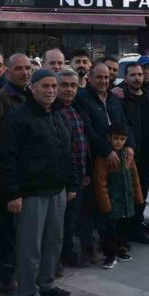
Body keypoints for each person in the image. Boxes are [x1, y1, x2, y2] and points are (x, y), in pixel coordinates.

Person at [0, 69, 79, 296]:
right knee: (29, 246)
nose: (51, 90)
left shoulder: (57, 115)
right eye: (45, 86)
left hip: (57, 190)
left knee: (53, 241)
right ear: (32, 88)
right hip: (30, 193)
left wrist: (72, 184)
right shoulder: (17, 117)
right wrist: (12, 193)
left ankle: (47, 283)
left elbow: (67, 151)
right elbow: (7, 159)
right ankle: (28, 292)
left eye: (54, 86)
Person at [76, 63, 134, 263]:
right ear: (90, 78)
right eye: (98, 77)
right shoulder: (82, 99)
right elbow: (87, 129)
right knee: (92, 207)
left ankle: (114, 245)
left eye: (106, 77)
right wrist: (107, 150)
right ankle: (90, 248)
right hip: (95, 160)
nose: (103, 81)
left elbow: (125, 124)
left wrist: (130, 145)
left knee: (114, 204)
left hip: (118, 160)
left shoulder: (114, 98)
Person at [0, 53, 33, 295]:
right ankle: (4, 274)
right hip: (10, 172)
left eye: (28, 68)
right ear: (8, 71)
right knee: (5, 227)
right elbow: (0, 139)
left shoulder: (29, 93)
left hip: (27, 172)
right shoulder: (3, 97)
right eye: (19, 69)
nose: (25, 72)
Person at [116, 62, 149, 245]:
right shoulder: (120, 96)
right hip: (129, 154)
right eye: (132, 75)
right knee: (126, 193)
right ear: (126, 78)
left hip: (147, 155)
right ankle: (122, 234)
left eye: (139, 74)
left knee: (141, 193)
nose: (137, 78)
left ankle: (136, 229)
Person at [54, 69, 91, 269]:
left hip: (80, 174)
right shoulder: (53, 109)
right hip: (63, 177)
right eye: (65, 85)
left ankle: (68, 253)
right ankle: (57, 257)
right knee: (59, 221)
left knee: (71, 219)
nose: (69, 89)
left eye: (73, 85)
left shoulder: (78, 107)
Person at [94, 122, 144, 269]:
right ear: (109, 138)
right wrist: (106, 205)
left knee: (123, 228)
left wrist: (139, 198)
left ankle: (120, 250)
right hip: (112, 202)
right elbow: (100, 183)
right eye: (116, 138)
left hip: (126, 201)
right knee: (111, 230)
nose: (119, 142)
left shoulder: (127, 155)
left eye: (122, 139)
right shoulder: (103, 159)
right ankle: (110, 255)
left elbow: (135, 178)